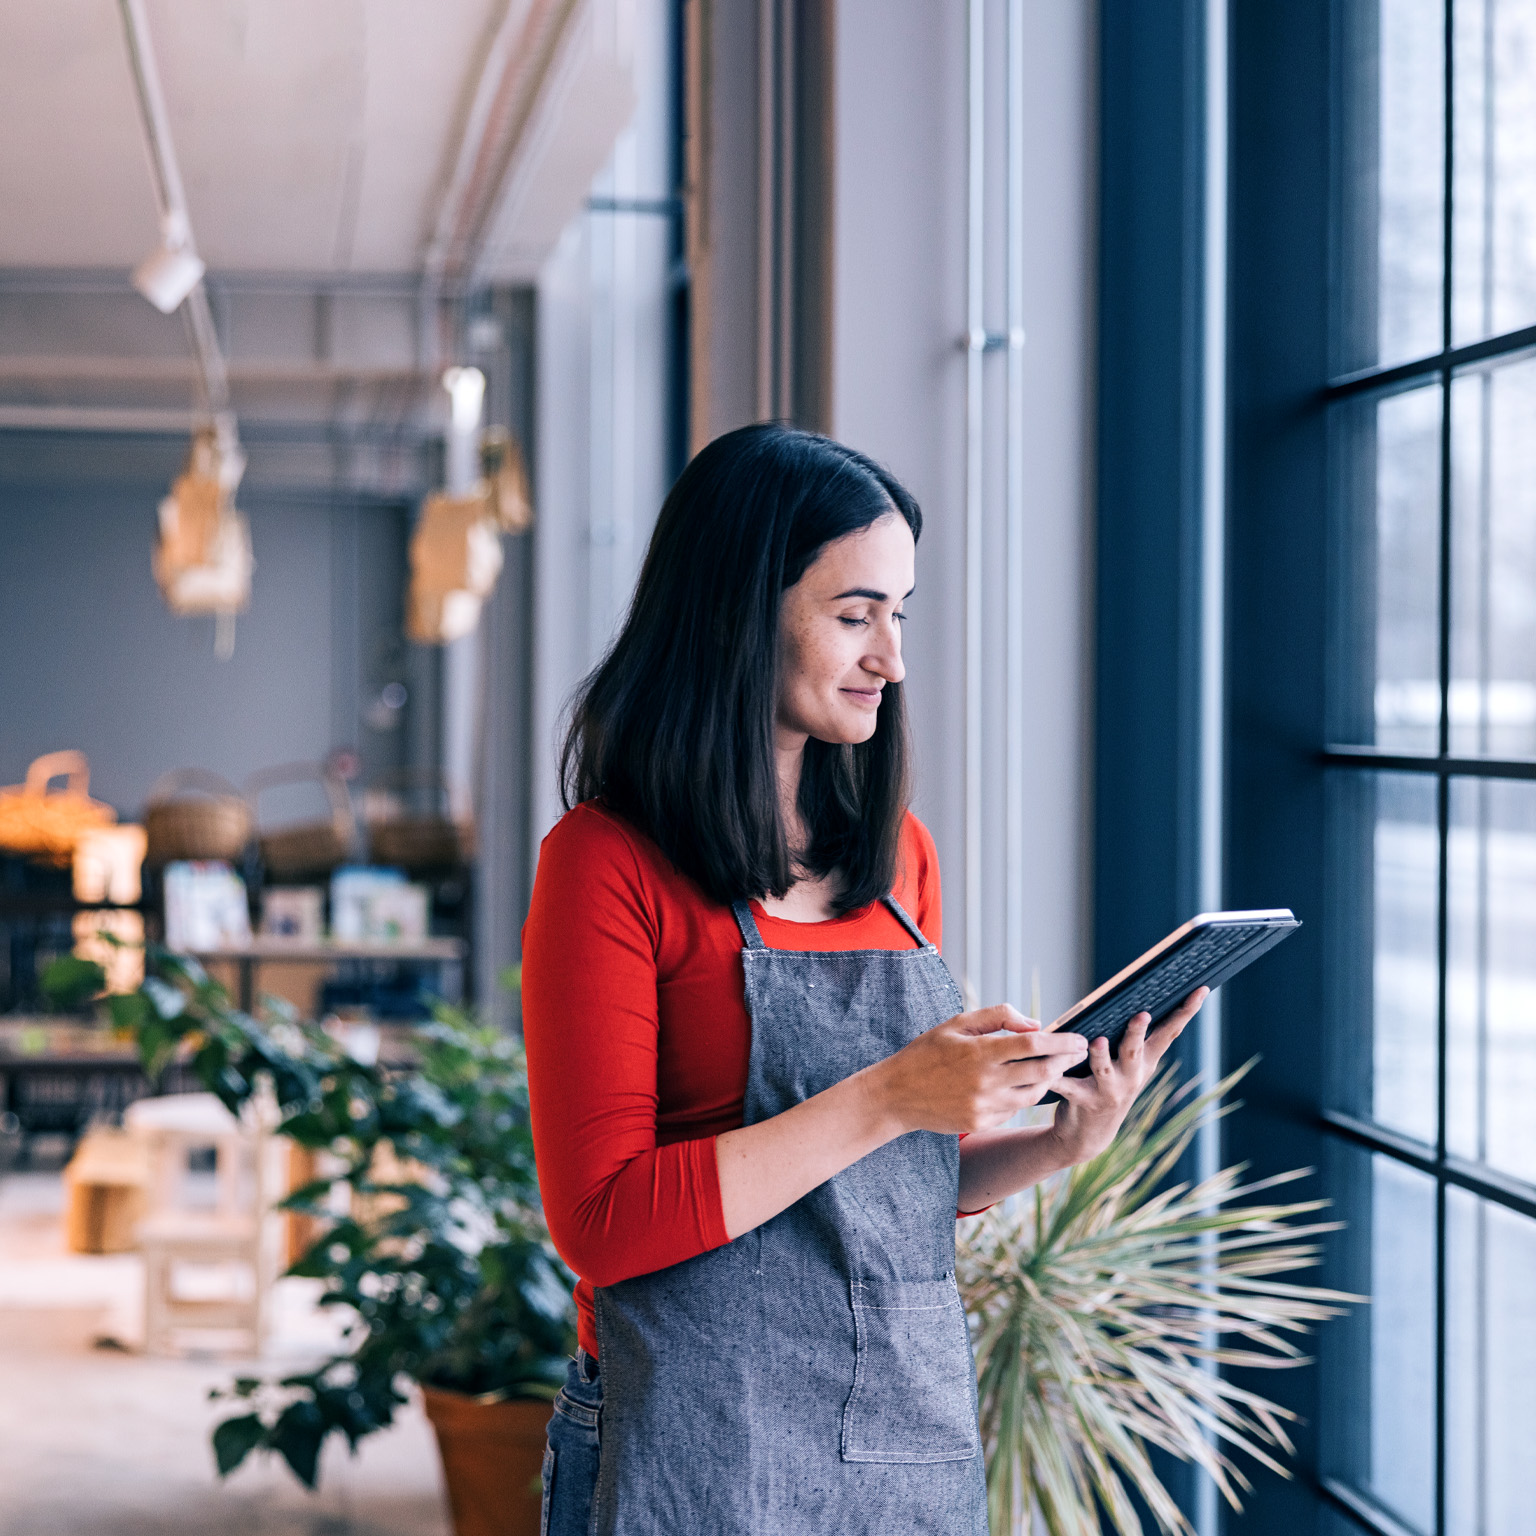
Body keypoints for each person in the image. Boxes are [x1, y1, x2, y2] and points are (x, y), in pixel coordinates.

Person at [521, 423, 1205, 1536]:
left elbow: (890, 1195)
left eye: (900, 615)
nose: (890, 656)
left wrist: (1054, 1141)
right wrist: (890, 1095)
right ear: (741, 611)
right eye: (854, 616)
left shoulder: (896, 862)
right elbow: (600, 1222)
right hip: (690, 1439)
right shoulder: (605, 866)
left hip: (896, 1427)